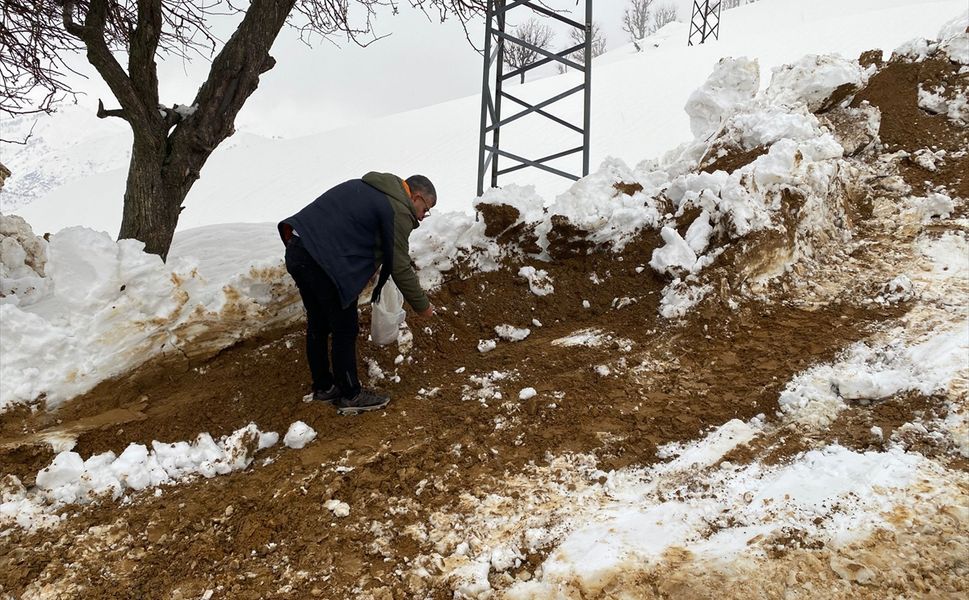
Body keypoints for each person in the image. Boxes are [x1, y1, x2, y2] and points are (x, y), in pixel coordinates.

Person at [279, 172, 436, 415]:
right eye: (426, 209)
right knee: (345, 327)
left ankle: (324, 387)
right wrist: (422, 306)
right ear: (415, 197)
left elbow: (349, 231)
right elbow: (400, 264)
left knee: (318, 323)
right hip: (323, 264)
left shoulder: (370, 187)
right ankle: (351, 395)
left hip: (297, 250)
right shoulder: (398, 209)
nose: (423, 217)